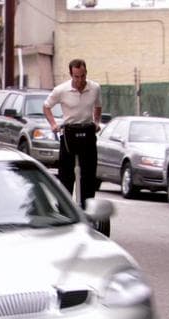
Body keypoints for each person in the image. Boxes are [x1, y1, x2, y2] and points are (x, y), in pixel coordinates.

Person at [43, 59, 102, 208]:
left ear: (86, 73)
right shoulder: (61, 90)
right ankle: (66, 209)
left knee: (88, 174)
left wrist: (97, 122)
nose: (80, 80)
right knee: (66, 175)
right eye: (76, 76)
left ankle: (87, 208)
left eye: (82, 76)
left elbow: (98, 106)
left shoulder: (95, 88)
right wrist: (53, 125)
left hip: (87, 131)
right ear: (71, 75)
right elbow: (46, 107)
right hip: (69, 132)